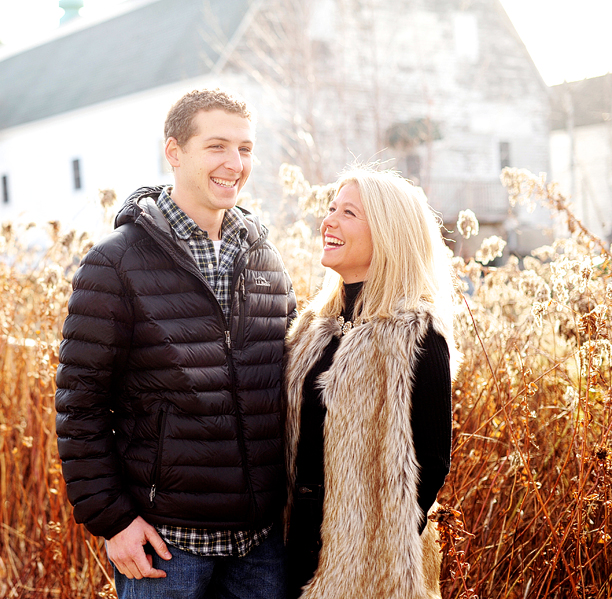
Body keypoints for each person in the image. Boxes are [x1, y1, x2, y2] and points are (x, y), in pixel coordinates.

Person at [55, 88, 296, 599]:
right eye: (217, 146)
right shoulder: (115, 264)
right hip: (168, 550)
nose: (235, 163)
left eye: (246, 149)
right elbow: (81, 405)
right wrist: (115, 520)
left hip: (261, 548)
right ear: (175, 152)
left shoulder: (266, 260)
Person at [282, 166, 457, 599]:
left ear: (388, 231)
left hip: (367, 571)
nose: (329, 221)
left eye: (349, 213)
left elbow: (432, 463)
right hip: (289, 549)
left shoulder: (415, 335)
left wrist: (371, 554)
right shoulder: (311, 329)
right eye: (331, 208)